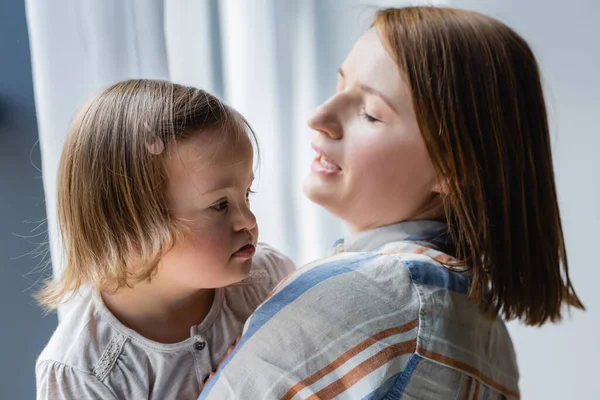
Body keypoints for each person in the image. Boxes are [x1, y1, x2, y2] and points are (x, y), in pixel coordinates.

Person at [200, 6, 584, 399]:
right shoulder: (484, 327)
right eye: (339, 86)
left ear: (452, 168)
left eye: (369, 114)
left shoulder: (363, 294)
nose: (319, 116)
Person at [35, 79, 295, 399]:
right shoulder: (84, 372)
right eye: (219, 205)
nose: (249, 221)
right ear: (130, 227)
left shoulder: (267, 280)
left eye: (247, 194)